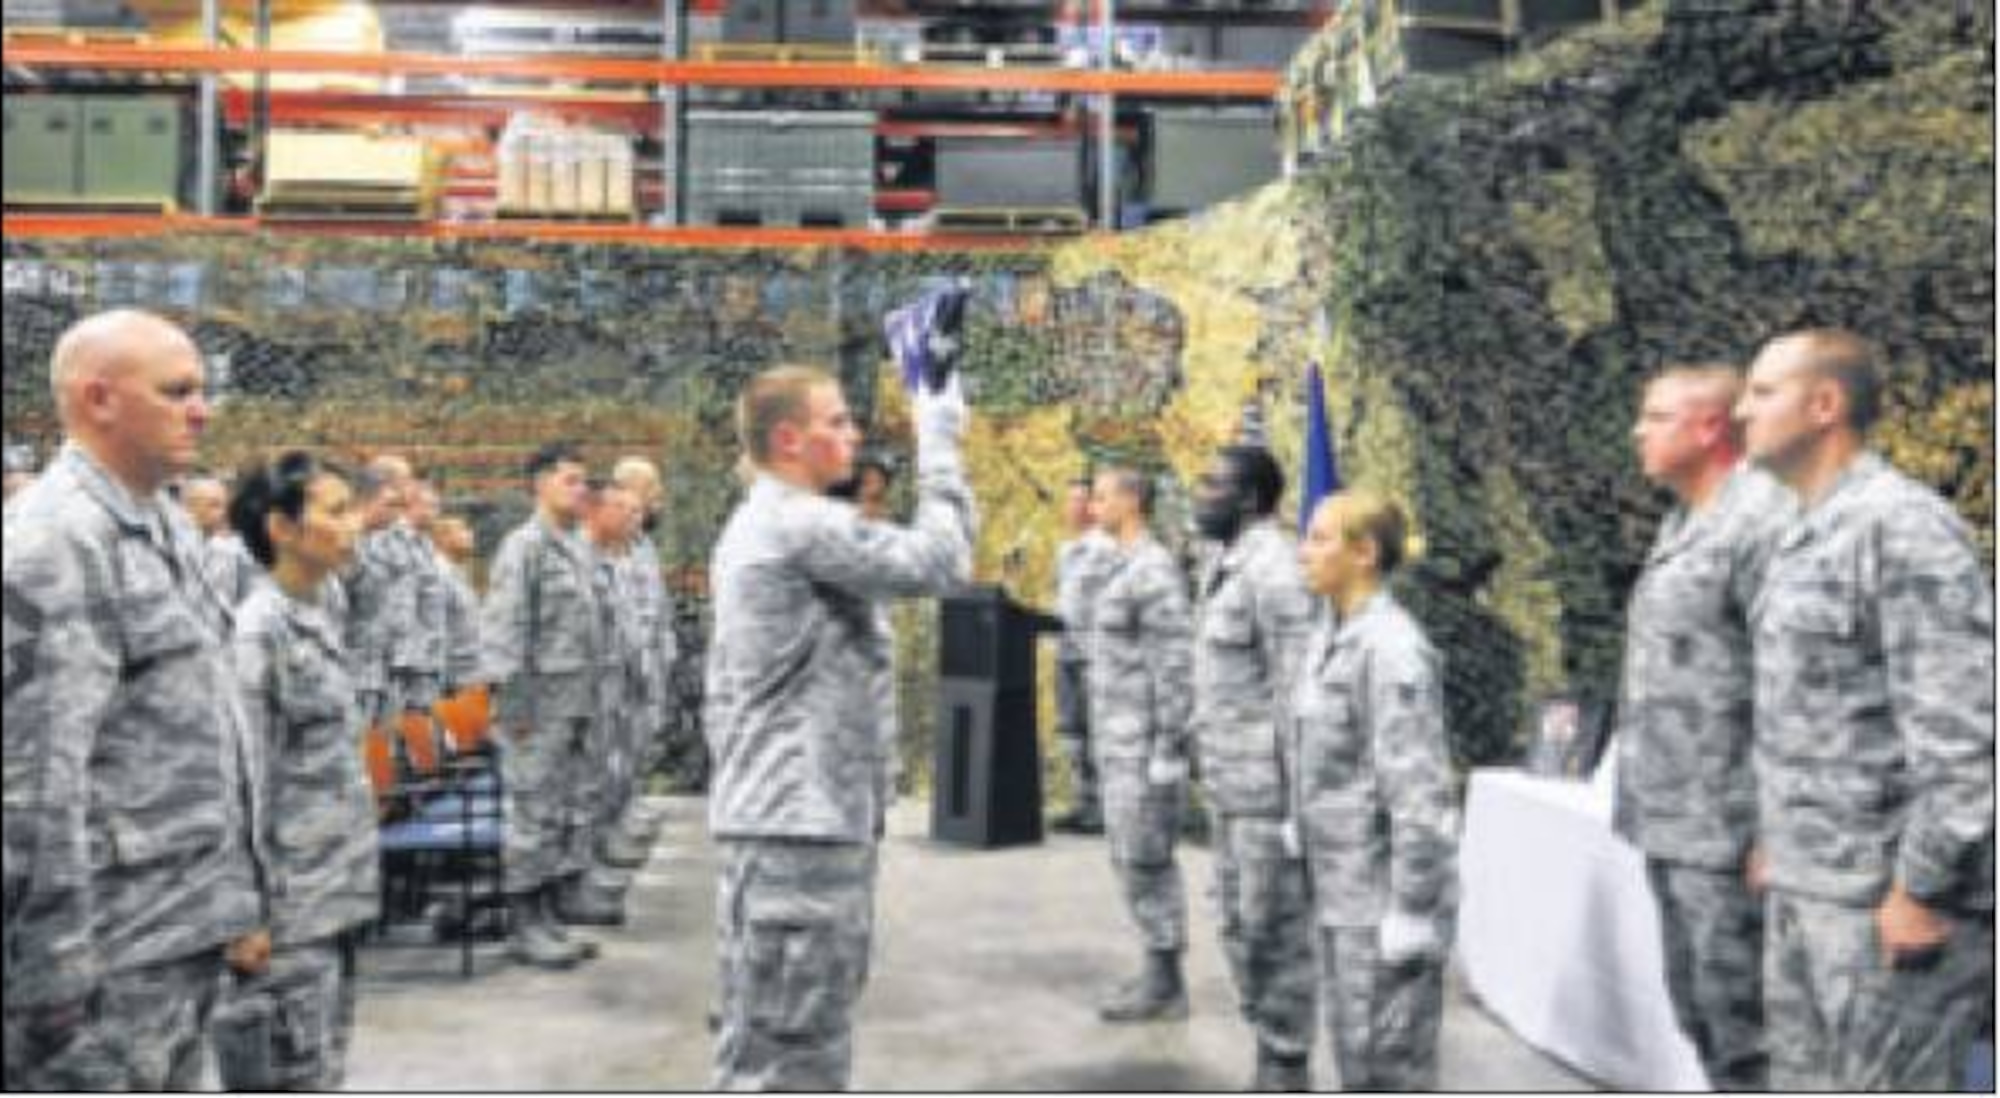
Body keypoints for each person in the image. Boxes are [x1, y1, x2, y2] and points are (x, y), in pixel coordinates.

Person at [2, 309, 266, 1090]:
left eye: (202, 390)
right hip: (105, 964)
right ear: (99, 400)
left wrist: (239, 902)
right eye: (177, 391)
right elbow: (32, 783)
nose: (202, 408)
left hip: (178, 936)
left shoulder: (161, 523)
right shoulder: (54, 542)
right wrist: (49, 974)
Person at [1735, 328, 1994, 1090]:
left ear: (1824, 405)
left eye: (1762, 392)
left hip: (1887, 906)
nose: (1741, 413)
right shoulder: (1799, 534)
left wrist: (1923, 889)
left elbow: (1966, 736)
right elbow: (1810, 707)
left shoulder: (1903, 528)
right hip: (1810, 892)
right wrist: (1773, 839)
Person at [706, 363, 973, 1089]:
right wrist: (940, 437)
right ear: (790, 439)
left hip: (791, 819)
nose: (853, 433)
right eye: (837, 422)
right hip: (800, 828)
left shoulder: (770, 519)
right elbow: (942, 562)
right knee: (792, 1056)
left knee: (781, 1039)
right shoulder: (798, 522)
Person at [1612, 364, 1791, 1090]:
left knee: (1752, 1033)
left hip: (1730, 829)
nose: (1638, 431)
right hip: (1676, 818)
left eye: (1656, 417)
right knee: (1701, 1014)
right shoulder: (1684, 517)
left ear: (1710, 426)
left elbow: (1796, 681)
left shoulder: (1762, 521)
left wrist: (1775, 828)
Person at [211, 452, 378, 1089]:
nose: (354, 523)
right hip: (288, 903)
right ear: (281, 528)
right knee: (288, 1071)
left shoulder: (324, 603)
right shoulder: (261, 630)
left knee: (324, 1060)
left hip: (336, 886)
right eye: (335, 512)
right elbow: (242, 777)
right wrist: (242, 914)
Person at [1293, 489, 1457, 1090]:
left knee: (1388, 1066)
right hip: (1340, 889)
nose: (1302, 552)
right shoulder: (1333, 633)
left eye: (1318, 538)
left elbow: (1419, 794)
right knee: (1355, 1055)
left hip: (1379, 895)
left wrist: (1413, 906)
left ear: (1363, 552)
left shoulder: (1391, 649)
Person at [1190, 444, 1317, 1089]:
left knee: (1274, 929)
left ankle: (1287, 1064)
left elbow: (1299, 694)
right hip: (1232, 786)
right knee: (1238, 922)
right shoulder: (1226, 563)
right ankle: (1271, 1048)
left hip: (1268, 797)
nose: (1198, 491)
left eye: (1212, 483)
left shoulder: (1277, 570)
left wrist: (1300, 807)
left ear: (1246, 498)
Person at [479, 442, 605, 969]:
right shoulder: (524, 548)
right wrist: (517, 710)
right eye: (571, 480)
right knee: (530, 812)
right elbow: (506, 634)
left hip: (572, 703)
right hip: (534, 708)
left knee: (557, 810)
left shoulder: (575, 545)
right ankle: (523, 924)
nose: (581, 490)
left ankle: (547, 913)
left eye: (583, 480)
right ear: (541, 484)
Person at [1087, 465, 1195, 1023]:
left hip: (1143, 749)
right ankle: (1158, 967)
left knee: (1146, 861)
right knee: (1129, 859)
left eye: (1101, 495)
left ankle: (1166, 984)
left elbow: (1174, 666)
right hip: (1120, 743)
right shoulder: (1119, 566)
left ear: (1131, 501)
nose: (1091, 504)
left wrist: (1169, 748)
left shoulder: (1151, 572)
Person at [564, 479, 648, 928]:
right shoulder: (576, 556)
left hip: (608, 684)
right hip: (579, 691)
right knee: (580, 786)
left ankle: (589, 866)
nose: (634, 517)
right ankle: (572, 882)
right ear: (596, 511)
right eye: (623, 508)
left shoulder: (607, 560)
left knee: (599, 777)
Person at [610, 455, 679, 836]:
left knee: (641, 733)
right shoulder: (613, 543)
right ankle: (617, 815)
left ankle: (630, 801)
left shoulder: (641, 543)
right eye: (651, 487)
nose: (659, 495)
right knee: (622, 737)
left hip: (647, 654)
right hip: (626, 659)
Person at [1052, 475, 1116, 835]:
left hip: (1095, 654)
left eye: (1080, 499)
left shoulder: (1105, 549)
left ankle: (1107, 809)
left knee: (1097, 732)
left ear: (1094, 505)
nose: (1073, 507)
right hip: (1066, 652)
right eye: (1069, 500)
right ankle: (1083, 804)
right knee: (1072, 732)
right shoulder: (1066, 550)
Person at [185, 471, 263, 608]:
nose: (224, 512)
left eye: (225, 505)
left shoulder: (233, 553)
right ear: (190, 507)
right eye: (215, 505)